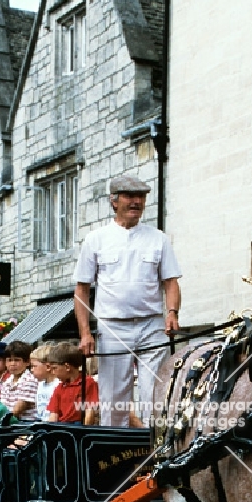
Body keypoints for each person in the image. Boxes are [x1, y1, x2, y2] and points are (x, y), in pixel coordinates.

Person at [73, 174, 182, 427]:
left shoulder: (158, 238)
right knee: (113, 401)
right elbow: (81, 289)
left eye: (141, 197)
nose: (136, 202)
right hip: (112, 326)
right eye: (130, 197)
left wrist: (172, 312)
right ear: (114, 201)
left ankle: (155, 459)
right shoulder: (96, 239)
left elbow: (171, 282)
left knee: (155, 396)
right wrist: (85, 333)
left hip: (151, 326)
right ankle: (118, 460)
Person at [47, 342, 99, 425]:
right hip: (62, 425)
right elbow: (54, 414)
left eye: (54, 368)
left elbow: (90, 411)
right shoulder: (59, 387)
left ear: (67, 367)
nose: (53, 372)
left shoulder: (88, 383)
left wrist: (84, 431)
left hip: (78, 425)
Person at [0, 340, 38, 422]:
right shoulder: (6, 382)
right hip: (10, 422)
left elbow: (18, 409)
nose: (12, 364)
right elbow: (3, 406)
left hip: (26, 424)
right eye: (9, 360)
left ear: (27, 362)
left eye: (17, 360)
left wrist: (2, 422)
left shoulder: (30, 380)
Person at [29, 343, 59, 421]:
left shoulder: (58, 385)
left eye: (34, 366)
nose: (31, 370)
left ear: (48, 367)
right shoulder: (40, 385)